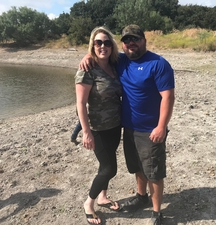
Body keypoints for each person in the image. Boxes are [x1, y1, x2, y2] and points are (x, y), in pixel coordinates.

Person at [80, 24, 175, 225]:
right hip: (128, 127)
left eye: (135, 39)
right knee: (137, 167)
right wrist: (88, 56)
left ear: (144, 40)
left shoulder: (158, 63)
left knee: (154, 172)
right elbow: (100, 55)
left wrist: (161, 127)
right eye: (126, 40)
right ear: (122, 45)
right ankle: (141, 197)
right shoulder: (120, 60)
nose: (131, 43)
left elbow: (168, 97)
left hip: (150, 129)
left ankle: (157, 213)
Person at [75, 26, 122, 225]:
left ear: (112, 45)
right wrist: (86, 133)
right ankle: (89, 203)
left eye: (107, 42)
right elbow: (80, 103)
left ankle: (103, 196)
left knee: (107, 163)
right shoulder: (86, 69)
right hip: (98, 128)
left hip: (115, 125)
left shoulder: (114, 65)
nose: (103, 46)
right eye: (98, 42)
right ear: (93, 45)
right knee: (109, 168)